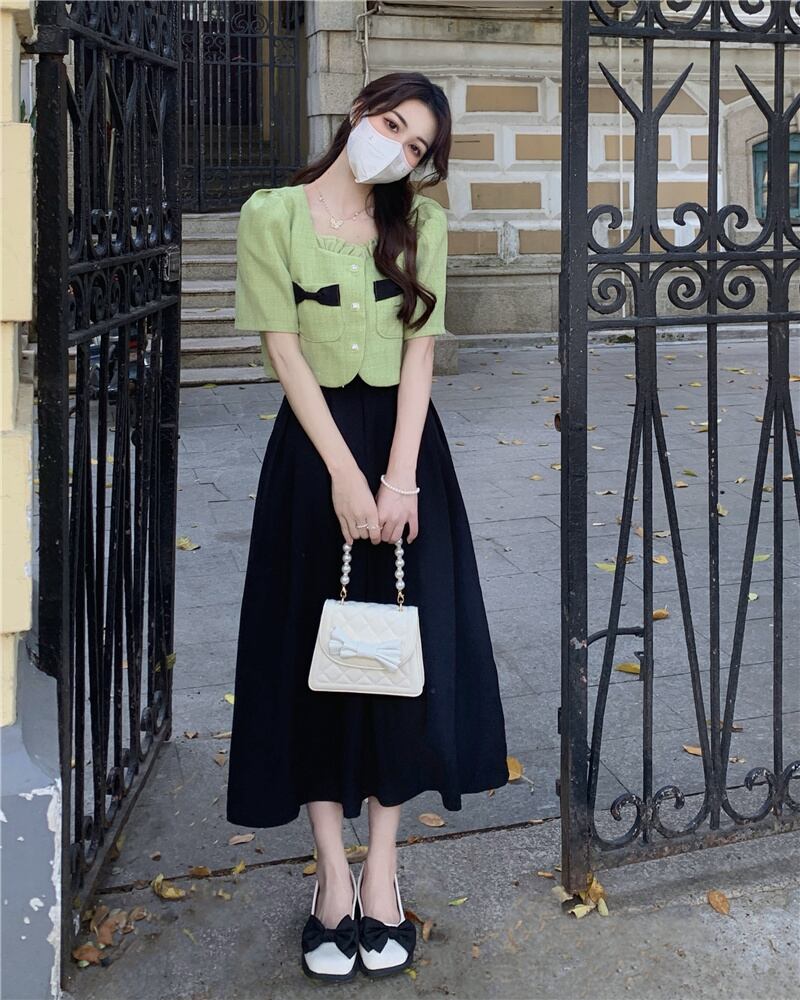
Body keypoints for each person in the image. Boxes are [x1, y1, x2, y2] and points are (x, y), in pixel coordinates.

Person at [225, 71, 509, 982]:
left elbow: (421, 352)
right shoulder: (272, 215)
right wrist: (344, 476)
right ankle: (331, 875)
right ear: (357, 113)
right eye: (391, 125)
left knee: (395, 656)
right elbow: (283, 351)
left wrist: (398, 478)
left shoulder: (421, 224)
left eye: (416, 146)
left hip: (405, 453)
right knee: (310, 654)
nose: (398, 149)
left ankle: (382, 870)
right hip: (313, 456)